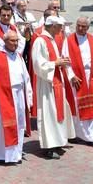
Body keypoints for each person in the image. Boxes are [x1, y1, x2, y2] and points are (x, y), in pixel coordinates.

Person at [0, 30, 33, 165]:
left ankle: (15, 153)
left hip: (18, 95)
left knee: (18, 124)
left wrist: (29, 95)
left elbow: (26, 78)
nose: (15, 43)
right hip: (3, 96)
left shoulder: (19, 56)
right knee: (0, 125)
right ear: (5, 41)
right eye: (12, 41)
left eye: (17, 40)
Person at [31, 16, 76, 159]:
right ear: (52, 26)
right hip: (47, 83)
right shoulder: (40, 40)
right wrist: (55, 63)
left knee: (57, 112)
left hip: (56, 81)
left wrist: (61, 62)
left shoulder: (52, 40)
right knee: (49, 113)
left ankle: (57, 142)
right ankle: (49, 147)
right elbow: (38, 64)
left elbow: (54, 60)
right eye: (59, 26)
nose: (61, 29)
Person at [63, 16, 93, 148]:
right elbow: (65, 59)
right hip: (77, 77)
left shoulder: (92, 39)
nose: (80, 28)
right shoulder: (69, 40)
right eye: (78, 25)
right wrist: (71, 75)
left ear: (88, 28)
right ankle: (79, 134)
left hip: (92, 75)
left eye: (83, 26)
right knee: (78, 106)